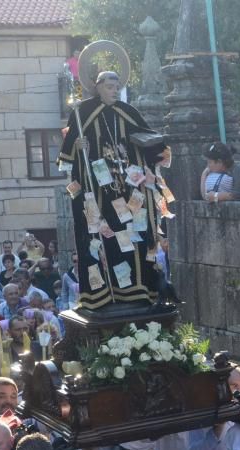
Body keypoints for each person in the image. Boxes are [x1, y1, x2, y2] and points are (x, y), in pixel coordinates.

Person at [57, 70, 167, 311]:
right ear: (97, 87)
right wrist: (78, 147)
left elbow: (152, 142)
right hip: (97, 191)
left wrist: (154, 149)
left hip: (129, 191)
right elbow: (66, 159)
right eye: (109, 86)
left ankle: (138, 289)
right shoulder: (82, 113)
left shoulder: (129, 112)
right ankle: (102, 294)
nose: (114, 91)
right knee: (100, 237)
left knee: (133, 235)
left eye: (117, 86)